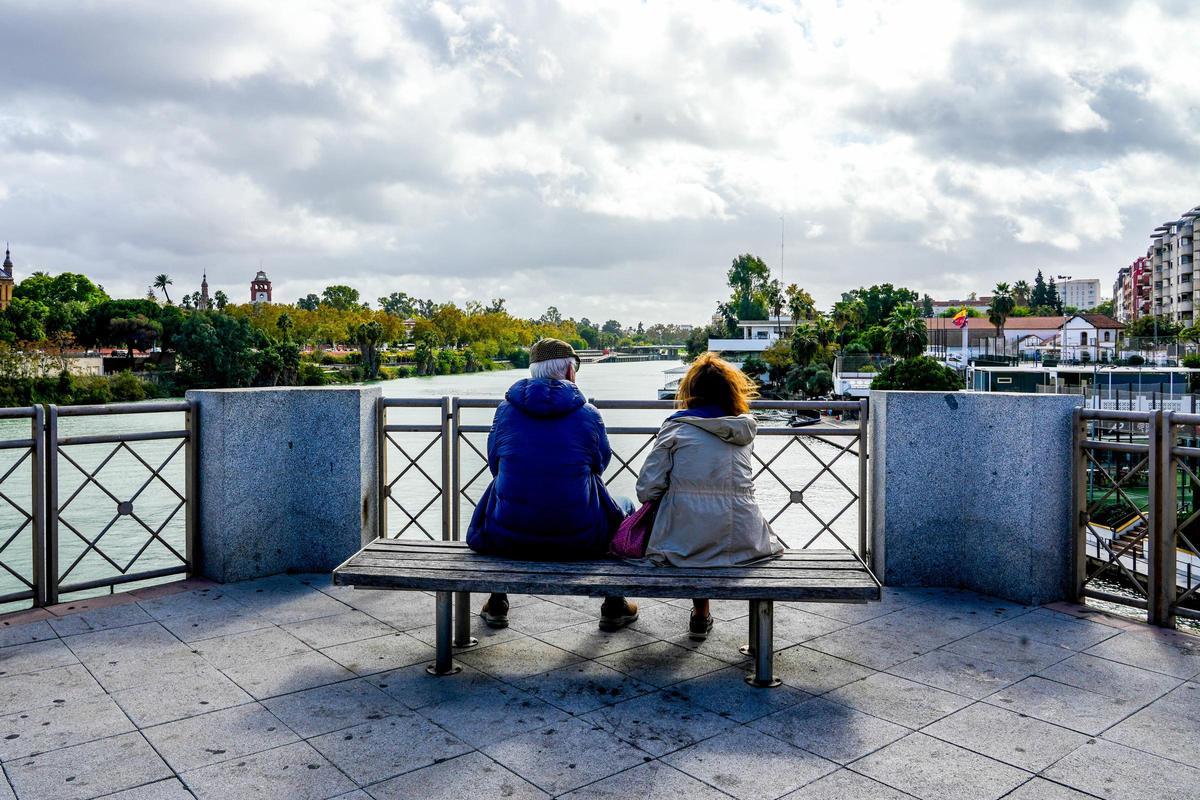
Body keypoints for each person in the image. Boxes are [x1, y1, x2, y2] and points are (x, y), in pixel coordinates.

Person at [466, 337, 638, 631]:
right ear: (570, 372)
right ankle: (614, 604)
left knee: (505, 493)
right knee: (624, 507)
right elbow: (600, 464)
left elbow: (495, 463)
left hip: (507, 536)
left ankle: (497, 602)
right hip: (580, 537)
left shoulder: (505, 411)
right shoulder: (588, 414)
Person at [635, 352, 783, 641]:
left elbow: (646, 489)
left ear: (690, 392)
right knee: (708, 523)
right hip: (745, 542)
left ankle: (699, 612)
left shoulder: (676, 429)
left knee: (690, 527)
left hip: (683, 545)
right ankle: (706, 616)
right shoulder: (742, 430)